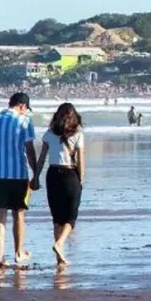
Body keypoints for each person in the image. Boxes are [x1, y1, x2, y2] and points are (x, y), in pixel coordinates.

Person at [0, 93, 39, 267]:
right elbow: (29, 150)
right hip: (18, 175)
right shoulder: (24, 120)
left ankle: (0, 258)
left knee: (0, 217)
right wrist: (36, 172)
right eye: (26, 109)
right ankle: (18, 252)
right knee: (18, 214)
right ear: (22, 106)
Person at [33, 103, 85, 267]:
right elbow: (80, 161)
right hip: (70, 174)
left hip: (53, 175)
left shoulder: (49, 134)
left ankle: (59, 258)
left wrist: (36, 177)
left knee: (57, 217)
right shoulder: (77, 134)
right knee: (71, 217)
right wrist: (81, 180)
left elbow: (42, 158)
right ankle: (60, 243)